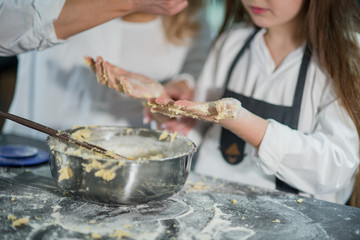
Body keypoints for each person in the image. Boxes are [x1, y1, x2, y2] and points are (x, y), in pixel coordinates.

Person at [90, 0, 360, 207]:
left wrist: (241, 122)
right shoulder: (232, 44)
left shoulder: (344, 56)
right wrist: (166, 105)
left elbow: (336, 167)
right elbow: (196, 134)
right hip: (207, 207)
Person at [3, 0, 211, 140]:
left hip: (130, 160)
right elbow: (5, 31)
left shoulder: (193, 14)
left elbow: (194, 69)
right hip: (34, 149)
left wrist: (178, 92)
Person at [0, 0, 188, 56]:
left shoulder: (190, 13)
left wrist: (184, 84)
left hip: (133, 147)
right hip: (35, 145)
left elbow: (195, 66)